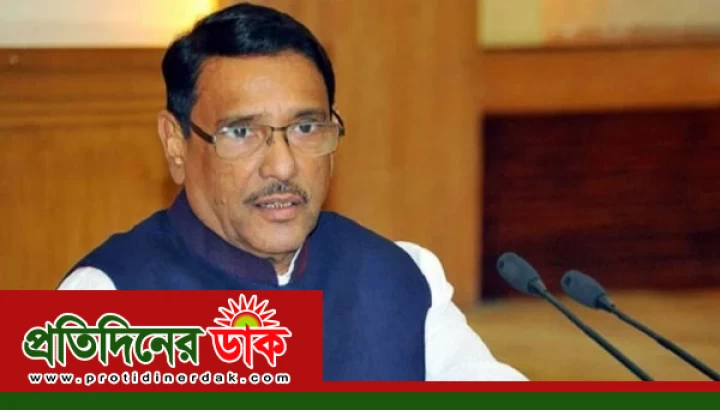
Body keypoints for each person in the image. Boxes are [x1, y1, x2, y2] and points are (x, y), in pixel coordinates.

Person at [56, 2, 527, 382]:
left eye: (305, 128)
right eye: (242, 132)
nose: (282, 165)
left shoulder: (397, 276)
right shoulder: (104, 304)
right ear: (176, 145)